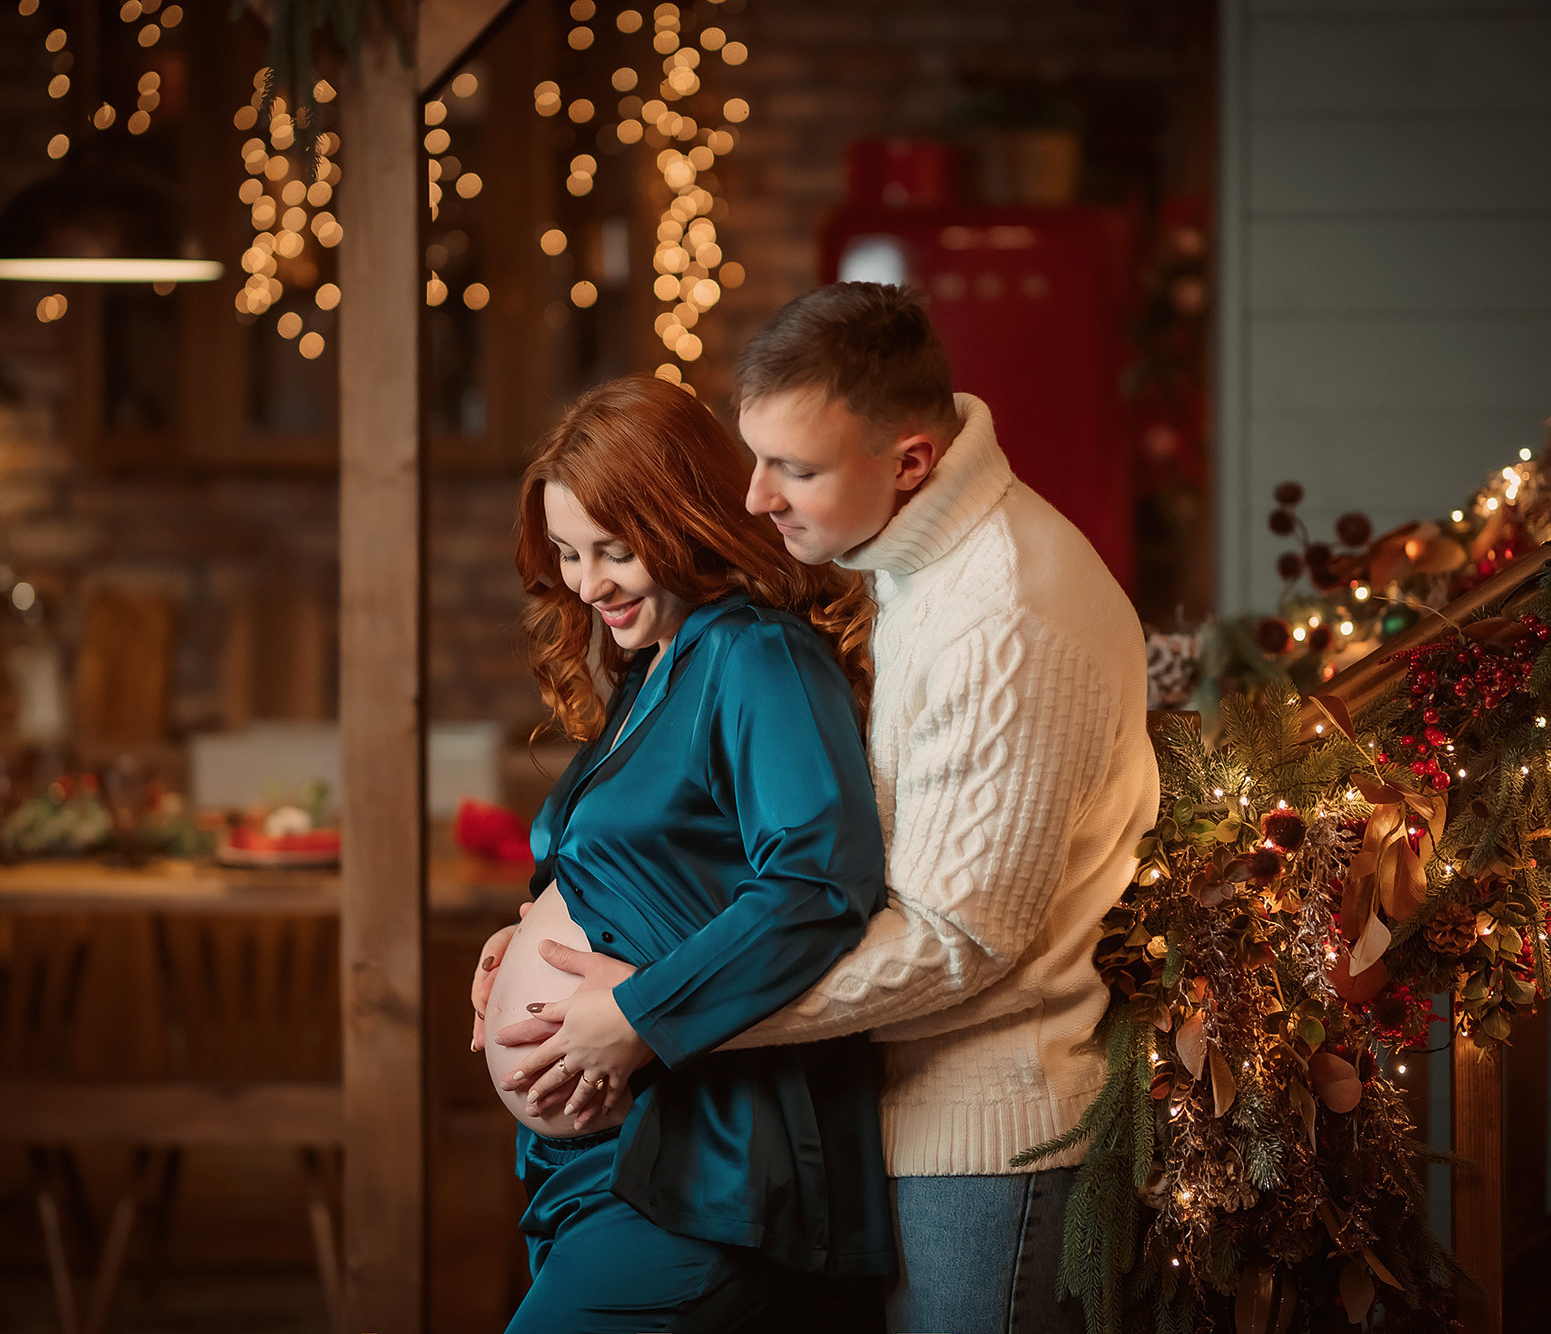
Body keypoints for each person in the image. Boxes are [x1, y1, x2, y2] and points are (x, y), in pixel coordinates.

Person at [487, 283, 1159, 1334]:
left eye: (790, 468)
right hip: (877, 1106)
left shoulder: (1002, 616)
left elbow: (952, 936)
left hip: (978, 1131)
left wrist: (649, 1011)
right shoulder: (894, 567)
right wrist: (557, 947)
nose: (753, 496)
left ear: (909, 461)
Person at [483, 373, 893, 1333]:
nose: (588, 586)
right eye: (571, 554)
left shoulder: (757, 655)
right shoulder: (650, 671)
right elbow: (651, 872)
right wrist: (521, 938)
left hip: (706, 1161)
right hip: (605, 1164)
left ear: (688, 518)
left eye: (615, 551)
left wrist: (633, 1014)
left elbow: (819, 884)